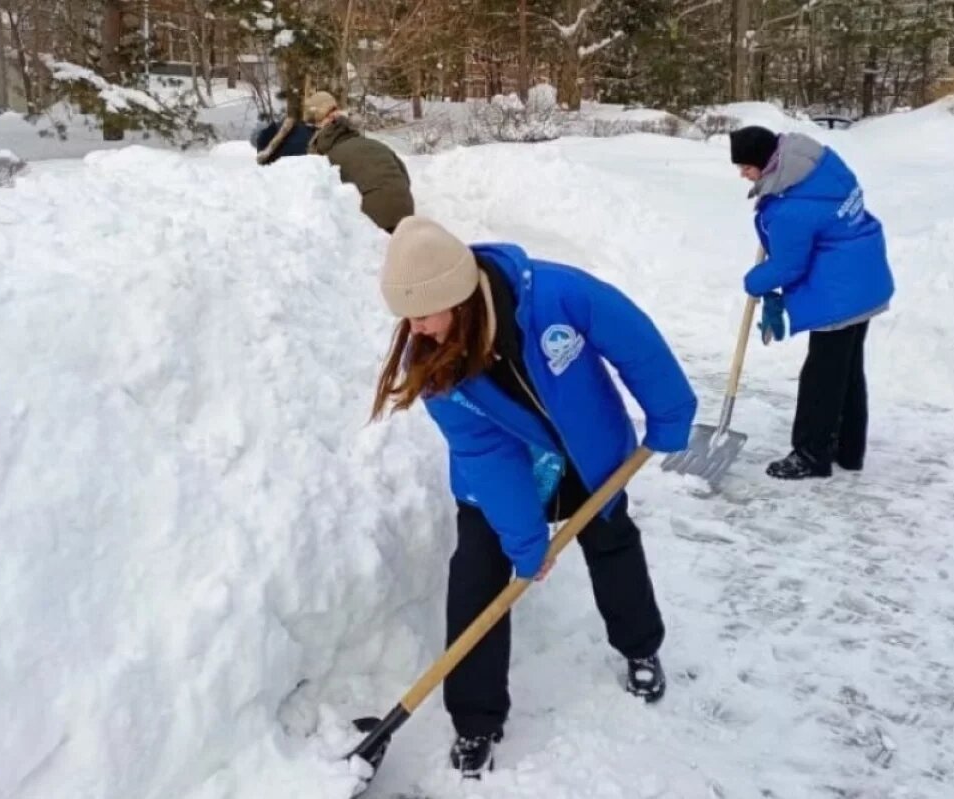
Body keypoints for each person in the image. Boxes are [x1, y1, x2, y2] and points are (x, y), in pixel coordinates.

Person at [369, 216, 697, 777]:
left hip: (585, 451)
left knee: (612, 541)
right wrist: (525, 538)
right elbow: (483, 452)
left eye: (422, 313)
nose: (415, 328)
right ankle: (475, 720)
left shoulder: (553, 294)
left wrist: (670, 410)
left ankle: (640, 645)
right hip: (500, 472)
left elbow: (635, 342)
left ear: (456, 296)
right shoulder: (428, 364)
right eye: (408, 316)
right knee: (478, 574)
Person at [729, 125, 895, 481]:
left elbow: (790, 265)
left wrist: (755, 282)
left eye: (745, 166)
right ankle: (848, 451)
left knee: (821, 376)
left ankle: (811, 455)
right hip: (864, 279)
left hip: (839, 295)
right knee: (845, 372)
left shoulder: (790, 210)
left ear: (765, 162)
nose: (742, 173)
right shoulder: (820, 166)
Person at [303, 91, 415, 233]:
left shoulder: (326, 159)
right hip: (407, 214)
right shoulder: (375, 144)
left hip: (375, 224)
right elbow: (404, 177)